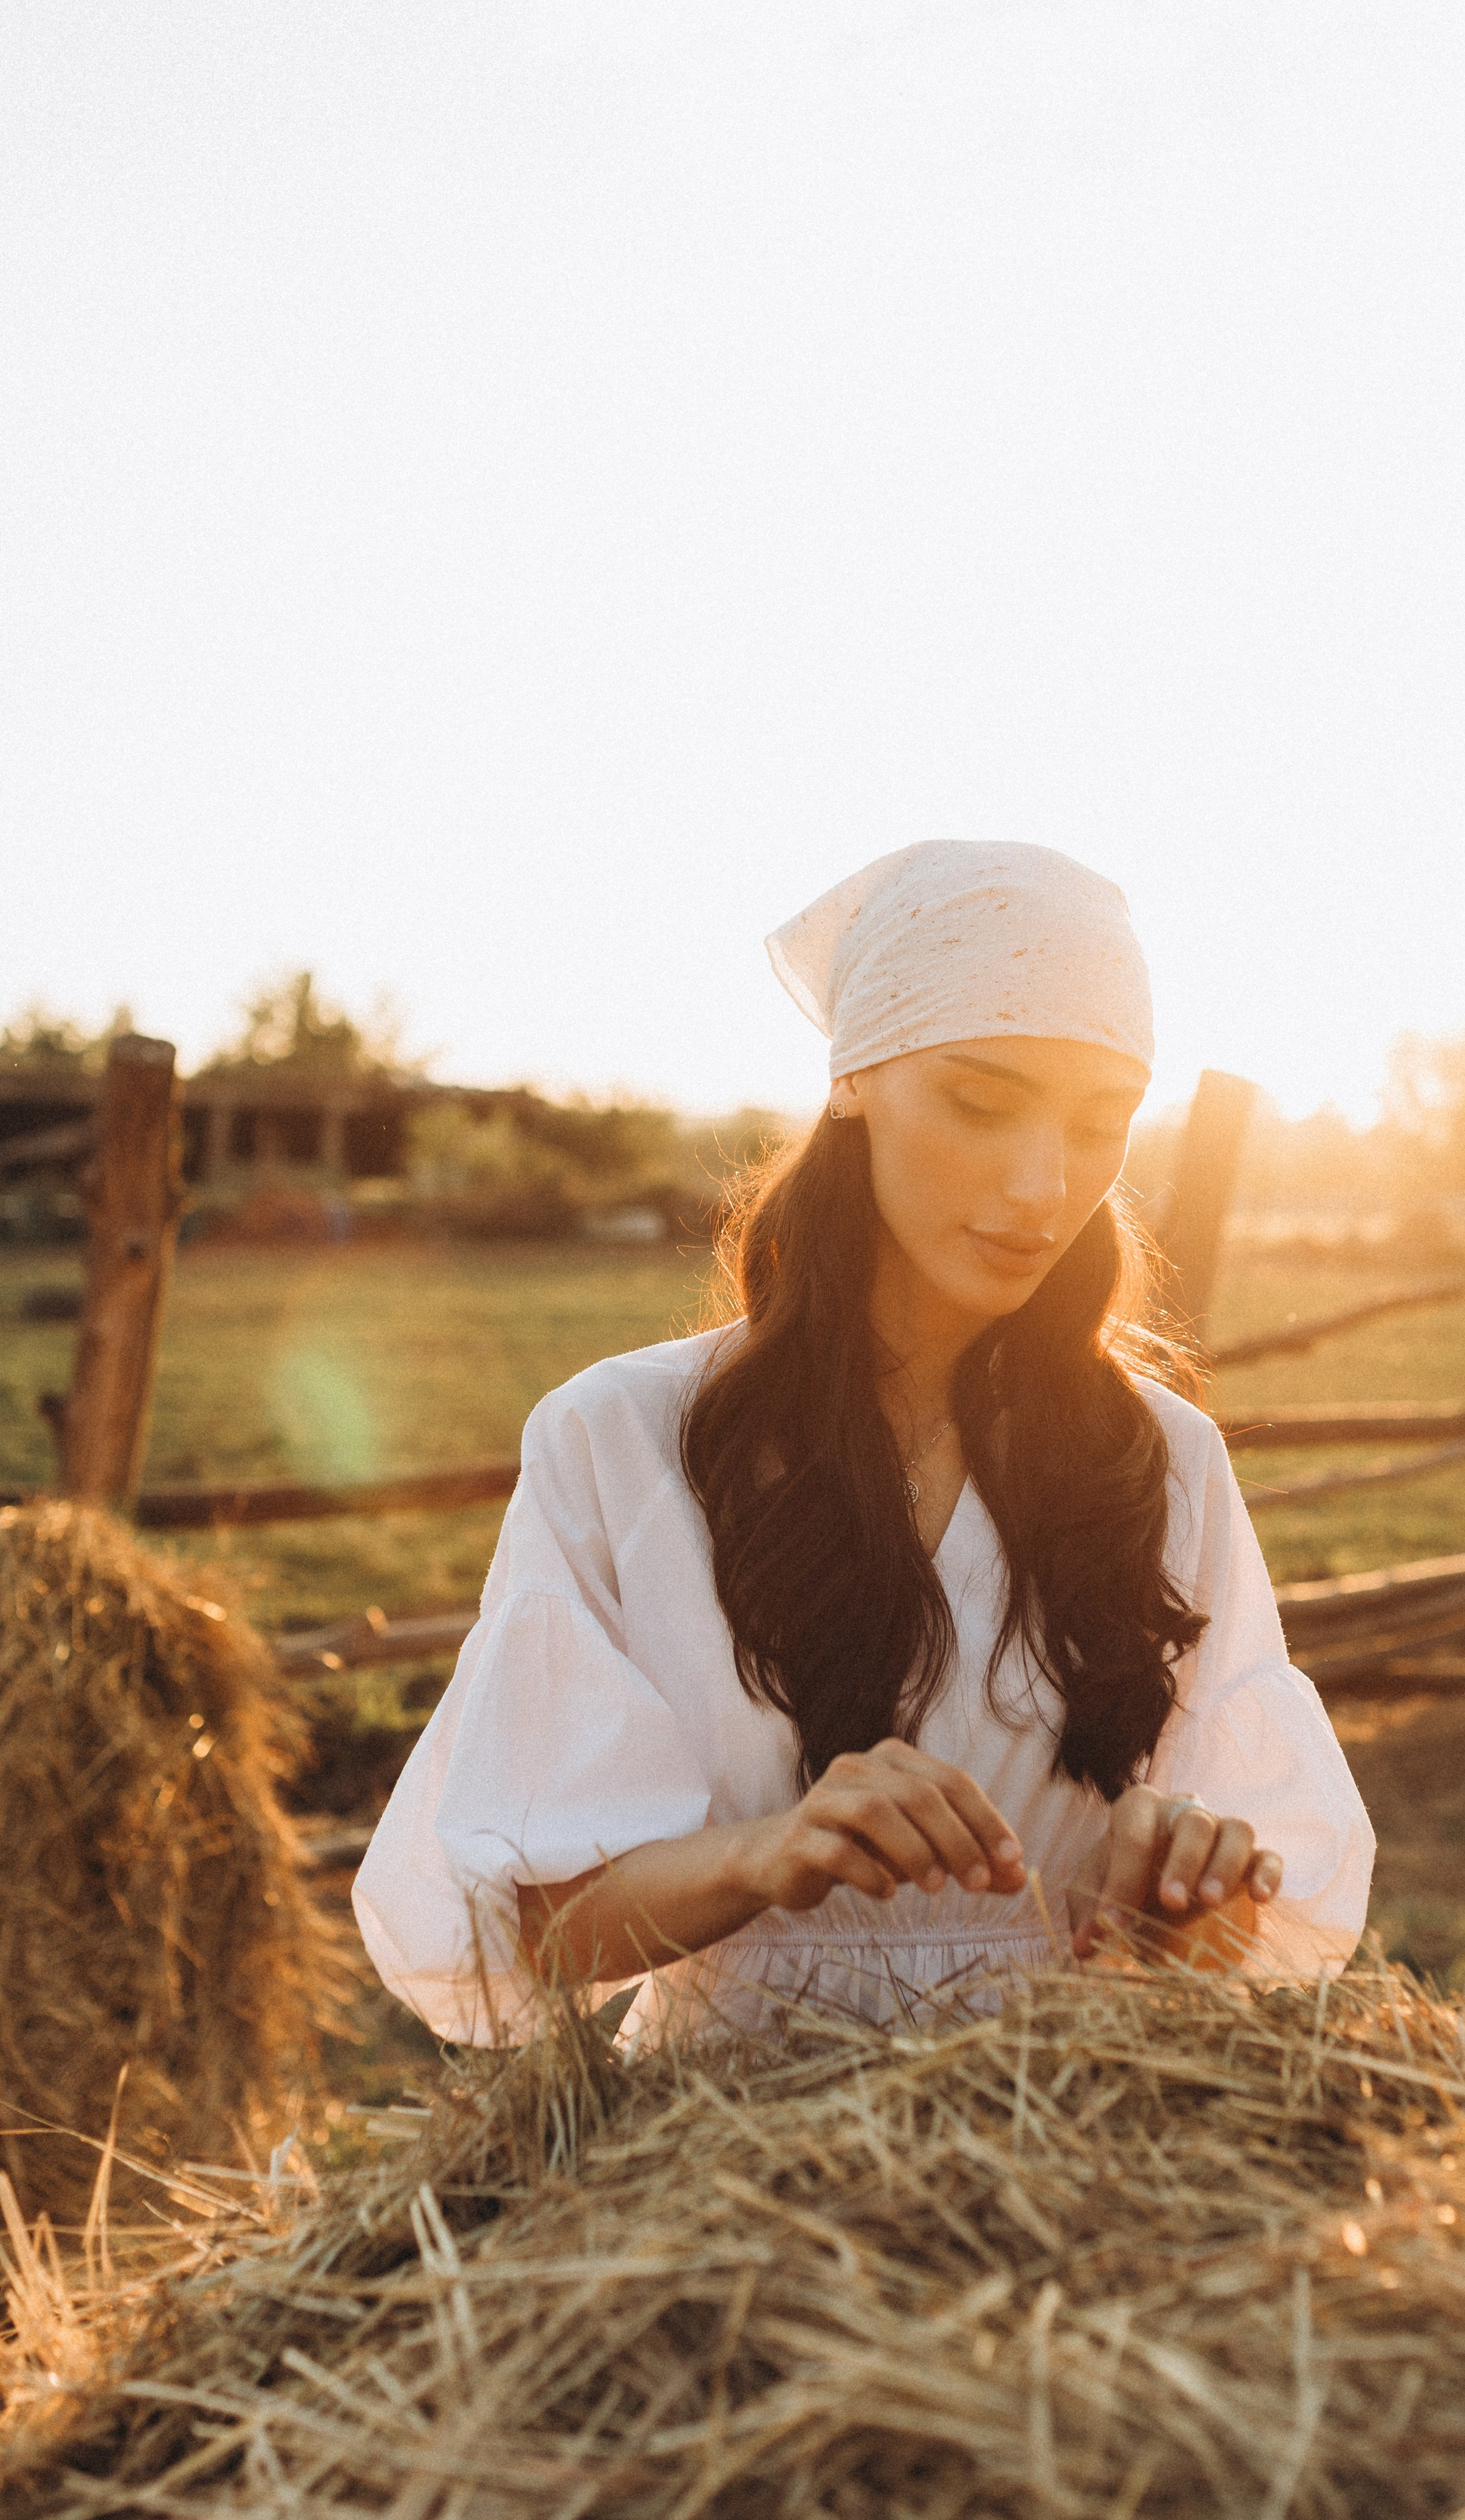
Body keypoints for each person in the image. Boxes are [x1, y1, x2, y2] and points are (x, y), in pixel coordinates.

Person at [354, 840, 1373, 2046]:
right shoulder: (619, 1440)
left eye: (1103, 1126)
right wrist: (764, 1856)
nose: (1045, 1188)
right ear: (854, 1081)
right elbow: (523, 1937)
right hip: (720, 2163)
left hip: (1068, 2139)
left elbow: (1241, 1941)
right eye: (981, 1105)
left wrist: (1186, 1903)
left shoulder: (1162, 1458)